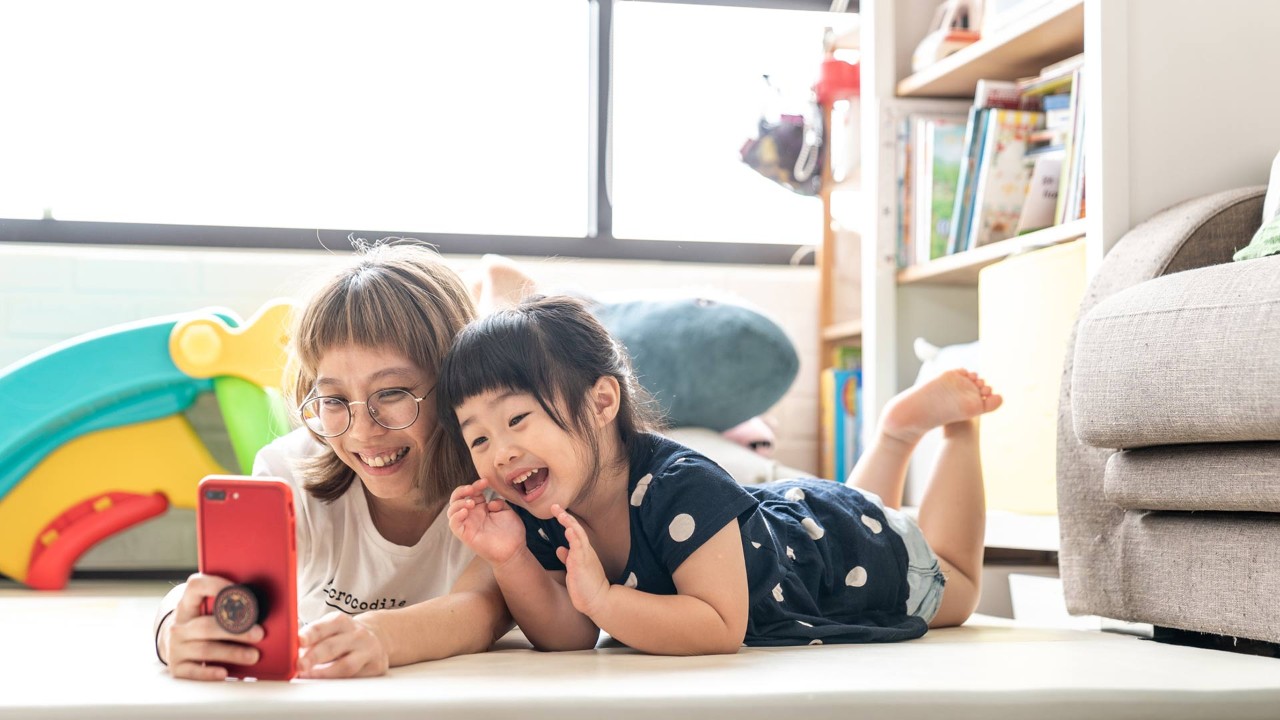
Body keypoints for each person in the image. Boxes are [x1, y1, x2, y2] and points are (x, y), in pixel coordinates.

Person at [438, 295, 1002, 654]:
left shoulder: (680, 486)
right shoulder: (542, 507)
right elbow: (569, 636)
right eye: (479, 438)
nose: (501, 452)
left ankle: (955, 430)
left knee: (958, 586)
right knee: (867, 505)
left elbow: (718, 626)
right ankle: (894, 435)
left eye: (517, 419)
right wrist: (510, 559)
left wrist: (606, 601)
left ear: (602, 403)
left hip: (841, 555)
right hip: (803, 522)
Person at [153, 241, 512, 680]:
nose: (363, 431)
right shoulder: (286, 475)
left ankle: (504, 287)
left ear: (453, 386)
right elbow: (217, 590)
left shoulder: (499, 481)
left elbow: (482, 610)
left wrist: (380, 636)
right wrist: (172, 630)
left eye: (392, 393)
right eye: (335, 399)